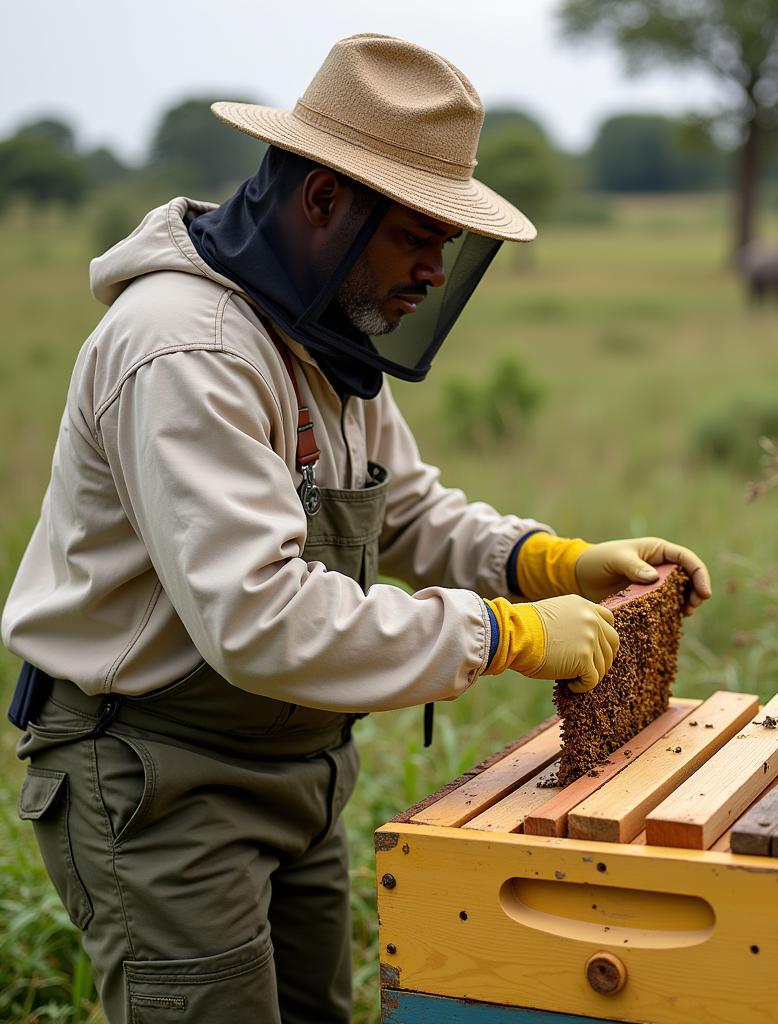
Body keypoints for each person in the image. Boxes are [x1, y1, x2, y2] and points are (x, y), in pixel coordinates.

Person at [2, 33, 711, 1024]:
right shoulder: (187, 350)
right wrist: (504, 634)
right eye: (414, 235)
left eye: (447, 246)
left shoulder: (316, 329)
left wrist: (548, 562)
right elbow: (259, 618)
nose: (432, 270)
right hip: (156, 776)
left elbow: (408, 506)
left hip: (295, 764)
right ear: (326, 199)